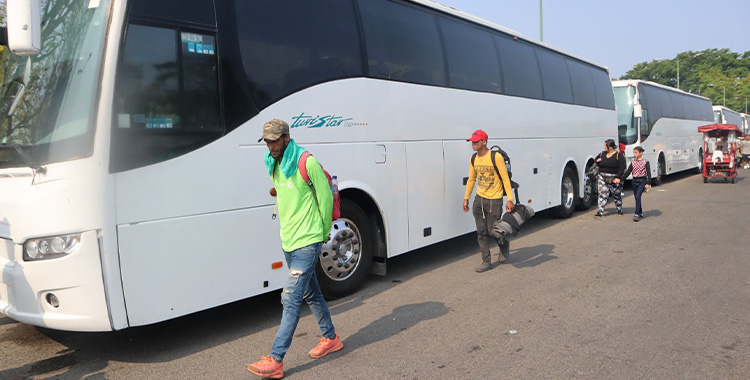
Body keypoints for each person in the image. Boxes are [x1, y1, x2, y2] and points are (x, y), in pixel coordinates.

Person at [247, 119, 343, 379]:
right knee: (311, 294)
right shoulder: (274, 162)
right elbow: (289, 191)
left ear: (287, 137)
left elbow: (324, 198)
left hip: (308, 240)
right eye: (267, 141)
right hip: (288, 241)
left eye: (275, 139)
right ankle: (331, 338)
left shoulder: (306, 161)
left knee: (290, 299)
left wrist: (323, 234)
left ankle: (276, 360)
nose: (270, 145)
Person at [462, 129, 515, 273]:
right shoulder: (473, 158)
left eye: (475, 141)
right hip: (479, 199)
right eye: (472, 141)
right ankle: (486, 261)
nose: (473, 144)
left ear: (484, 142)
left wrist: (510, 199)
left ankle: (504, 246)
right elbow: (472, 179)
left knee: (494, 231)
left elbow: (505, 178)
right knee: (481, 232)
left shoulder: (495, 157)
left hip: (494, 199)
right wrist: (466, 198)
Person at [594, 139, 626, 218]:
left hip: (614, 178)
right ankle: (600, 211)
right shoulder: (602, 154)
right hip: (602, 177)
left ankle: (619, 209)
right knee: (602, 193)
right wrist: (598, 161)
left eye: (606, 146)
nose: (604, 147)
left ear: (611, 147)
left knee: (616, 194)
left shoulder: (619, 155)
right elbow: (595, 161)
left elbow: (622, 167)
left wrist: (618, 177)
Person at [622, 146, 651, 222]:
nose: (634, 154)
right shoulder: (633, 163)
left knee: (638, 196)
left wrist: (648, 183)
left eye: (636, 152)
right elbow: (628, 172)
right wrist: (621, 179)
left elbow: (648, 173)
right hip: (634, 181)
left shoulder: (645, 162)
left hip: (642, 181)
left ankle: (637, 214)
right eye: (634, 152)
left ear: (641, 153)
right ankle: (640, 212)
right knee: (636, 197)